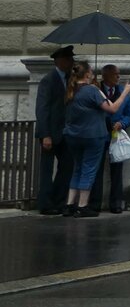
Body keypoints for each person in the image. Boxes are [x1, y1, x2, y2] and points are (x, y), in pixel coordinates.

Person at [62, 61, 130, 217]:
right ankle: (83, 206)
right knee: (89, 170)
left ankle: (69, 205)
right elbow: (112, 108)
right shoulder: (91, 90)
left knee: (77, 168)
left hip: (73, 135)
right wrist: (125, 91)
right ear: (88, 74)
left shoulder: (71, 89)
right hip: (92, 135)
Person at [86, 64, 130, 214]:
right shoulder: (96, 91)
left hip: (116, 135)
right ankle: (95, 203)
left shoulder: (122, 92)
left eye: (118, 74)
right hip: (99, 133)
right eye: (115, 75)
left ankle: (116, 202)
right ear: (105, 76)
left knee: (117, 169)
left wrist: (123, 123)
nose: (118, 78)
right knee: (96, 168)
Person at [35, 46, 75, 215]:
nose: (71, 62)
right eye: (69, 59)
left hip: (65, 132)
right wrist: (45, 135)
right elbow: (42, 109)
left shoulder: (69, 79)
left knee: (67, 167)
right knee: (47, 169)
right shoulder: (48, 80)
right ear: (60, 61)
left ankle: (59, 200)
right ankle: (45, 203)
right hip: (51, 133)